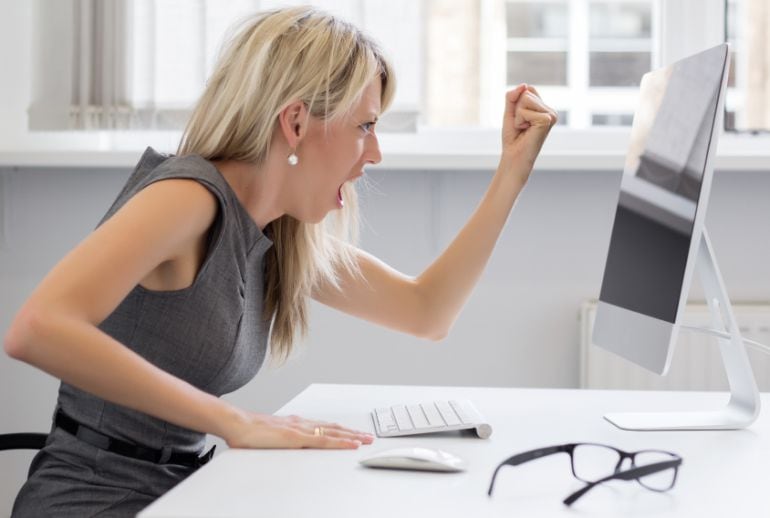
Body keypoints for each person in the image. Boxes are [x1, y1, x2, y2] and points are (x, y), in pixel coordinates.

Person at [3, 6, 557, 517]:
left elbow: (425, 311)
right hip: (95, 500)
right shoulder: (187, 197)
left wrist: (513, 170)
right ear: (295, 123)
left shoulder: (274, 232)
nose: (375, 153)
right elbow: (38, 329)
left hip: (179, 491)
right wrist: (235, 422)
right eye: (364, 126)